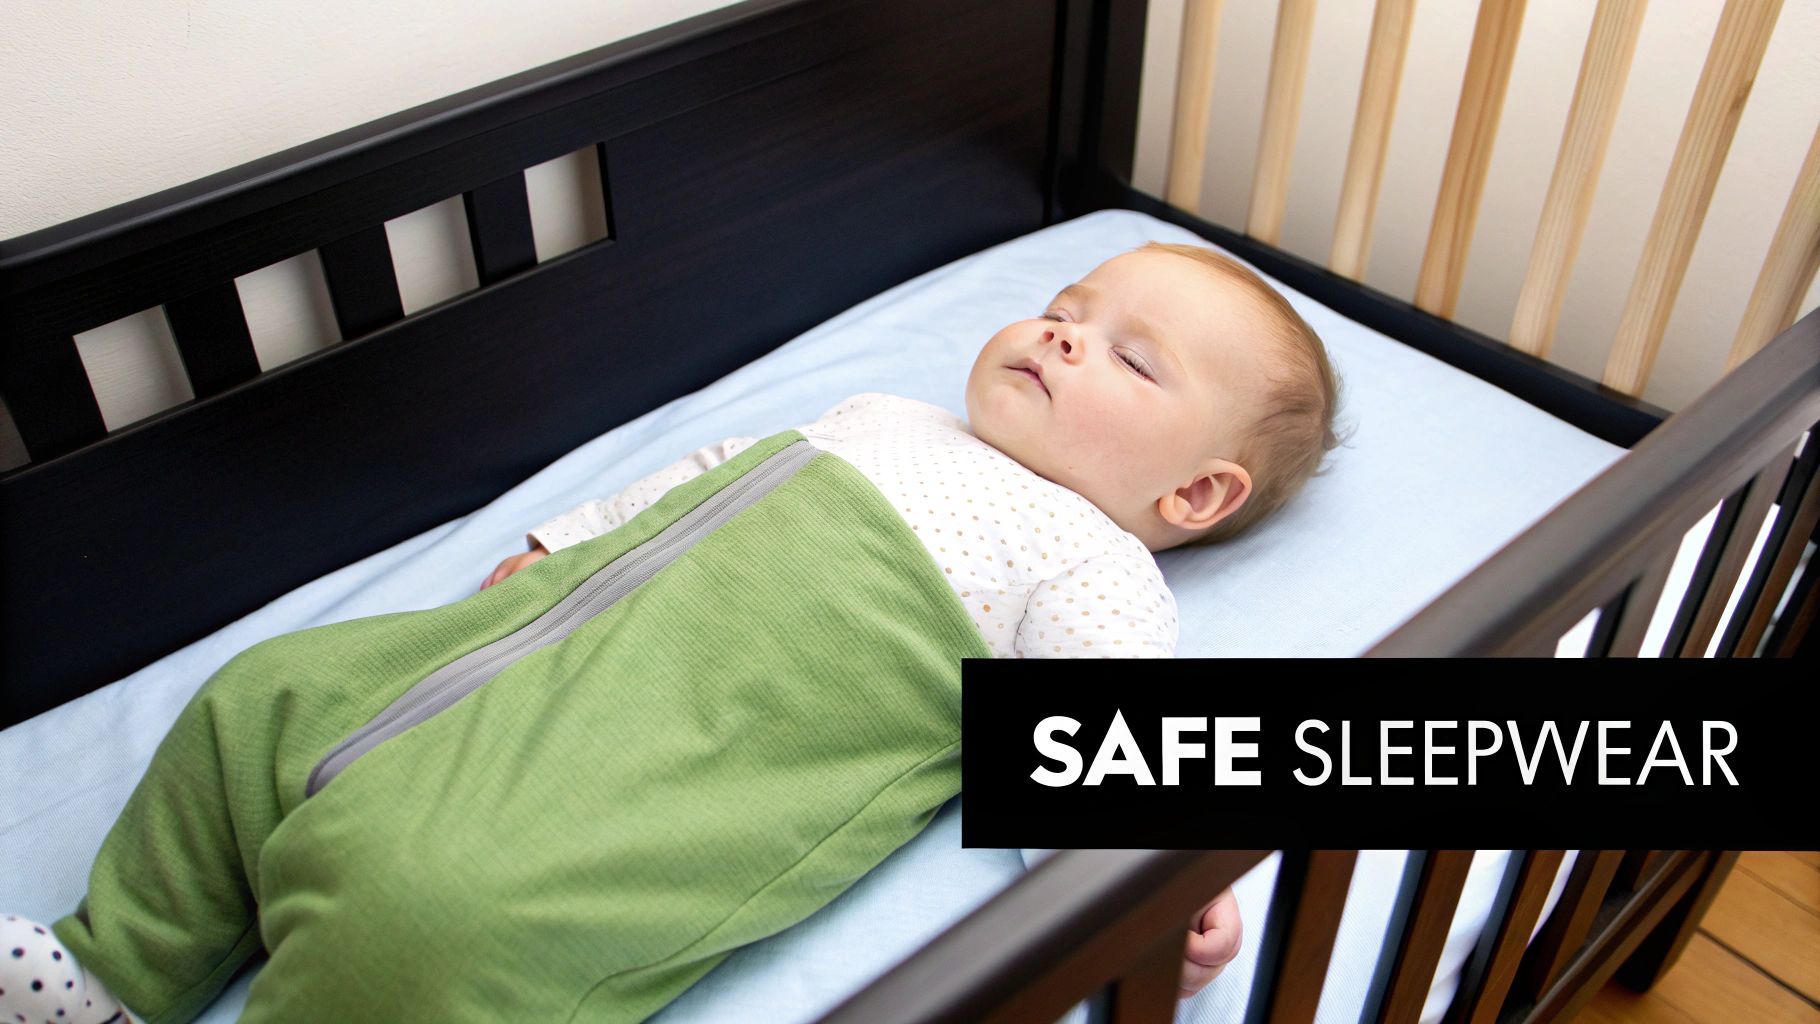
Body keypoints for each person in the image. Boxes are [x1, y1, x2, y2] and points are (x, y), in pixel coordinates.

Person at [3, 242, 1340, 1024]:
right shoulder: (889, 415)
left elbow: (1094, 737)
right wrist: (561, 544)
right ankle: (121, 961)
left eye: (1130, 357)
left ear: (1195, 493)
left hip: (657, 763)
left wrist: (1169, 876)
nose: (1062, 335)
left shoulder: (1090, 560)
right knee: (263, 696)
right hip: (526, 643)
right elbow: (702, 470)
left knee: (435, 912)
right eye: (1069, 309)